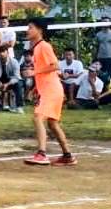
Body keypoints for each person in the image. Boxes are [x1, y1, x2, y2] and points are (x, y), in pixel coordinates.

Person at [24, 18, 76, 166]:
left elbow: (55, 66)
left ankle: (41, 154)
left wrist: (34, 72)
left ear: (40, 30)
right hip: (51, 89)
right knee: (52, 123)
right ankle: (68, 155)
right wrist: (35, 88)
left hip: (51, 90)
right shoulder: (37, 48)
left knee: (38, 117)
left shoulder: (43, 46)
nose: (27, 30)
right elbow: (46, 72)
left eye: (30, 27)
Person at [0, 45, 24, 113]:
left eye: (3, 52)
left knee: (19, 83)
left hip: (11, 82)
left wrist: (7, 84)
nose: (1, 54)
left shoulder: (14, 62)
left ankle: (19, 107)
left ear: (7, 53)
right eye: (0, 52)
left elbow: (17, 77)